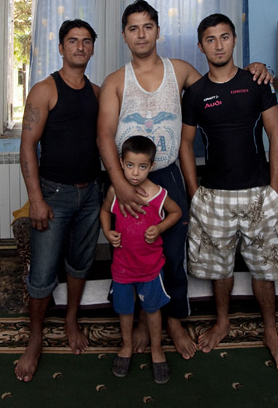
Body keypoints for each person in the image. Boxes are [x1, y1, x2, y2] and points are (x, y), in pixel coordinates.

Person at [97, 0, 272, 360]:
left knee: (173, 255)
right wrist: (121, 185)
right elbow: (104, 137)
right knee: (131, 253)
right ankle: (143, 320)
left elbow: (221, 81)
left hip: (168, 176)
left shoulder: (179, 71)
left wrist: (255, 69)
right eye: (133, 28)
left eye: (148, 27)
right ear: (124, 36)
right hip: (127, 180)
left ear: (158, 32)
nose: (141, 35)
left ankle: (174, 322)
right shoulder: (115, 81)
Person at [178, 13, 278, 373]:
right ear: (201, 46)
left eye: (224, 37)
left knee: (265, 269)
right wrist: (194, 192)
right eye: (210, 39)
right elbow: (185, 145)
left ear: (234, 40)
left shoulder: (256, 81)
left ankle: (271, 331)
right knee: (220, 268)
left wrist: (275, 190)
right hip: (214, 196)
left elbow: (276, 136)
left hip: (259, 193)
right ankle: (222, 322)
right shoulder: (195, 93)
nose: (218, 45)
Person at [15, 19, 103, 383]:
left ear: (92, 47)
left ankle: (70, 321)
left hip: (92, 193)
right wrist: (35, 199)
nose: (80, 47)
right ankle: (35, 338)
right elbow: (27, 146)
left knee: (80, 264)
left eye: (86, 41)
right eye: (73, 41)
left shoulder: (97, 92)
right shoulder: (45, 90)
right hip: (54, 194)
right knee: (42, 273)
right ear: (61, 47)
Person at [100, 135, 182, 384]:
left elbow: (176, 212)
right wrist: (107, 232)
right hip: (123, 269)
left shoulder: (158, 194)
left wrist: (160, 228)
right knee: (125, 311)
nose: (135, 173)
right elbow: (104, 210)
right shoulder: (116, 191)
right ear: (121, 163)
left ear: (152, 166)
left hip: (151, 269)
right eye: (130, 165)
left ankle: (157, 350)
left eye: (142, 166)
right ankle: (126, 346)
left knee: (153, 310)